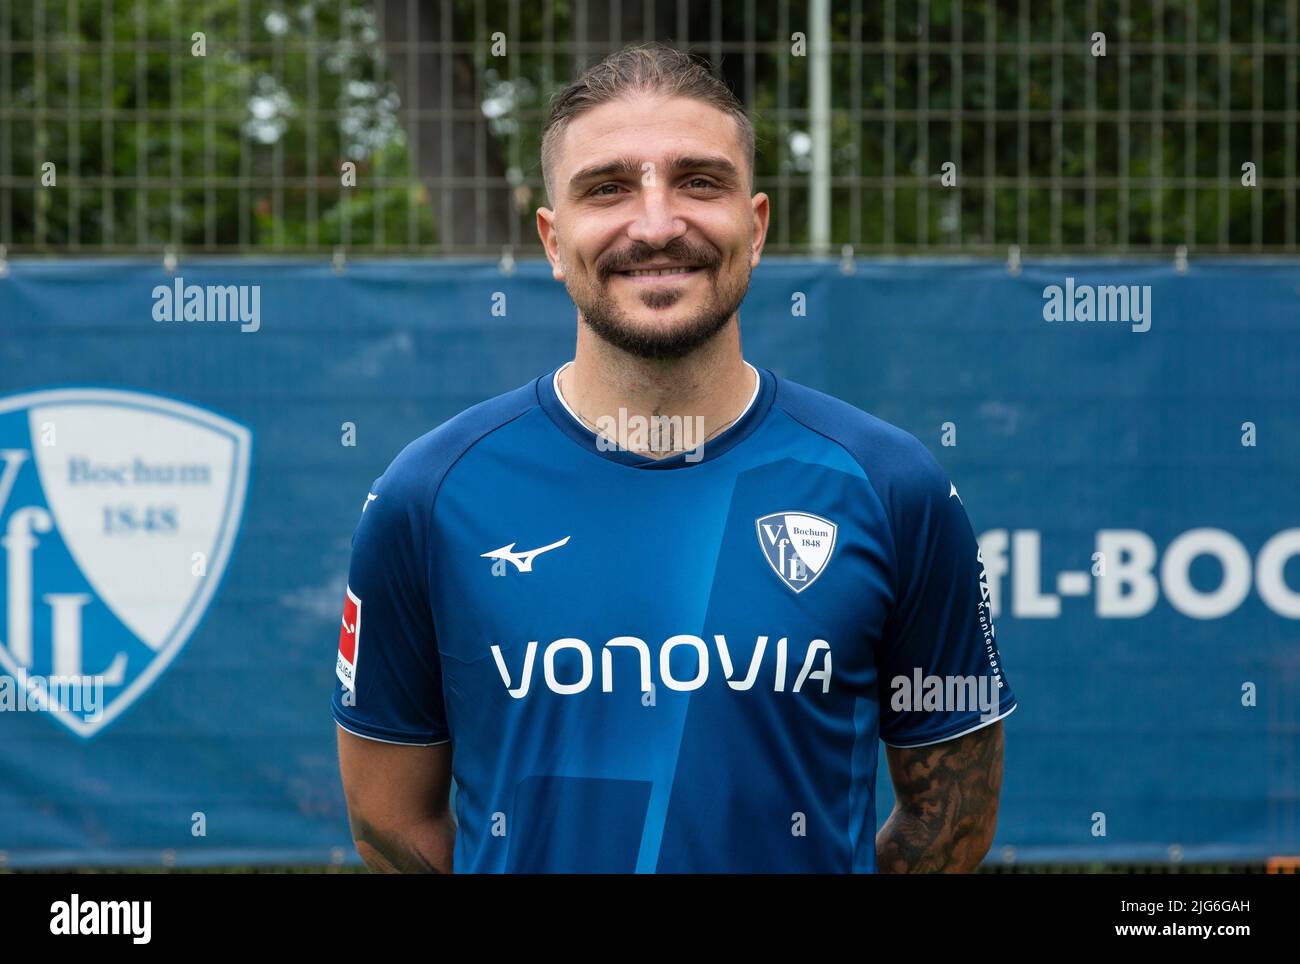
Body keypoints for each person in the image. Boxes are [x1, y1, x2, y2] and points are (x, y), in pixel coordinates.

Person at [333, 41, 1016, 873]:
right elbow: (389, 823)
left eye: (699, 181)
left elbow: (951, 817)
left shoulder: (894, 487)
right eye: (608, 188)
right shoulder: (427, 498)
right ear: (552, 240)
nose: (656, 225)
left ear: (756, 225)